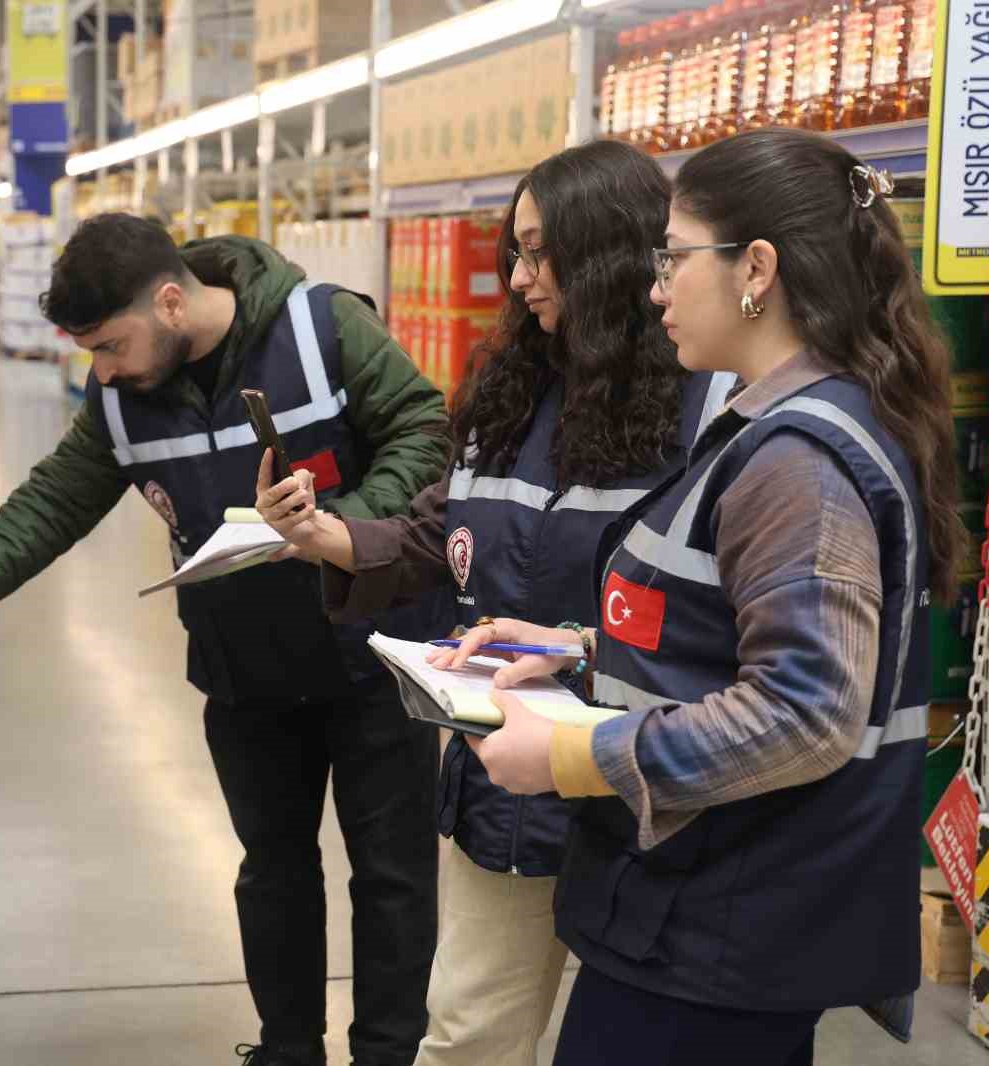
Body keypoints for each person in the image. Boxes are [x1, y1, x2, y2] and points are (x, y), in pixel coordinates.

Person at [444, 127, 962, 1065]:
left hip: (725, 922)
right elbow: (732, 634)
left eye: (675, 259)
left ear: (755, 269)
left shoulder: (799, 458)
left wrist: (571, 752)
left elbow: (805, 713)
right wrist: (584, 652)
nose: (656, 291)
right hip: (712, 914)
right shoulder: (775, 424)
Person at [0, 213, 451, 1066]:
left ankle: (387, 1054)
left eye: (111, 345)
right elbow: (58, 496)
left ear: (172, 302)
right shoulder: (120, 397)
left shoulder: (321, 325)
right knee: (273, 870)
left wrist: (344, 529)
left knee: (393, 874)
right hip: (244, 668)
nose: (103, 369)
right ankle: (288, 1049)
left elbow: (425, 430)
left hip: (373, 650)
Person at [255, 140, 735, 1066]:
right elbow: (440, 533)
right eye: (515, 253)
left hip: (651, 784)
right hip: (509, 781)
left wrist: (582, 649)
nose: (518, 279)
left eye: (541, 254)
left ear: (609, 254)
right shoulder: (512, 395)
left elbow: (723, 617)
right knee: (469, 1031)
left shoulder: (712, 405)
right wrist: (322, 536)